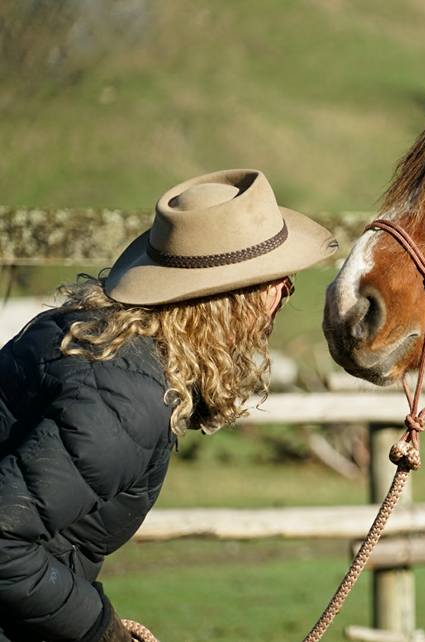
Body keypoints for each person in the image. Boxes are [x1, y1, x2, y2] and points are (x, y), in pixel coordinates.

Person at [0, 169, 337, 641]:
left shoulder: (87, 336)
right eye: (278, 282)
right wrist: (102, 631)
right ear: (234, 300)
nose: (284, 295)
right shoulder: (125, 400)